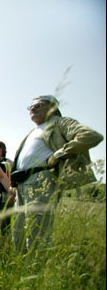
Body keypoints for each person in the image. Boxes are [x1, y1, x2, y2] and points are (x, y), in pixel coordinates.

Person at [11, 95, 103, 252]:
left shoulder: (60, 123)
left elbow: (92, 136)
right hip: (21, 185)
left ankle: (36, 272)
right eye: (30, 107)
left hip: (41, 182)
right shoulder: (32, 131)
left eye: (37, 105)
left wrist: (58, 155)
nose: (32, 109)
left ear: (52, 107)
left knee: (37, 231)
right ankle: (19, 270)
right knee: (18, 231)